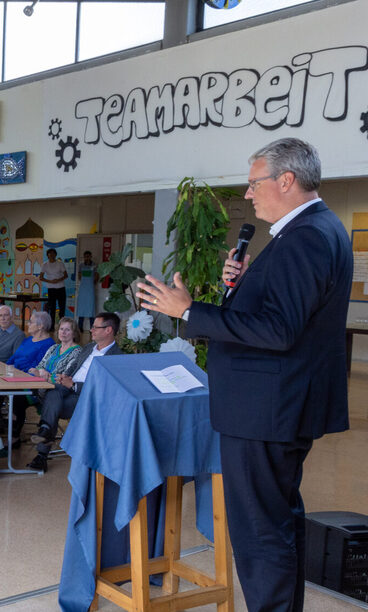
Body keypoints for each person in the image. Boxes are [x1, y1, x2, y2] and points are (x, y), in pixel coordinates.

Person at [136, 138, 352, 611]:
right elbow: (281, 314)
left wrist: (190, 311)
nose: (249, 194)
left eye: (255, 183)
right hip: (276, 406)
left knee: (260, 535)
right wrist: (242, 285)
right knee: (277, 523)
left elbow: (278, 331)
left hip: (267, 411)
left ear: (286, 180)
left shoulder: (307, 237)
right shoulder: (315, 231)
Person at [28, 312, 121, 472]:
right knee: (54, 393)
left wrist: (74, 386)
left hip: (87, 397)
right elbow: (74, 369)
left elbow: (106, 388)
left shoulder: (117, 357)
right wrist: (65, 377)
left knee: (53, 402)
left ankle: (44, 440)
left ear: (108, 330)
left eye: (95, 327)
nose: (91, 330)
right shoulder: (89, 348)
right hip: (66, 388)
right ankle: (44, 435)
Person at [29, 317, 83, 388]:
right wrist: (41, 370)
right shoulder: (54, 347)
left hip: (56, 389)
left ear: (74, 334)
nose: (63, 332)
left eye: (67, 330)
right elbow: (39, 366)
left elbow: (64, 378)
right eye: (61, 329)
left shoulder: (77, 351)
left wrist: (40, 375)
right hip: (41, 383)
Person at [40, 248, 68, 324]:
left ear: (55, 255)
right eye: (50, 253)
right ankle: (51, 326)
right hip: (51, 289)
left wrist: (58, 280)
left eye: (53, 253)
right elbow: (41, 277)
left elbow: (66, 275)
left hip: (61, 288)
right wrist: (50, 281)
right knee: (52, 308)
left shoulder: (60, 263)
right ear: (47, 255)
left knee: (62, 308)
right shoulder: (45, 264)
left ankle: (62, 325)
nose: (51, 255)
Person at [75, 251, 96, 331]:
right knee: (81, 308)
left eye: (88, 256)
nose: (87, 258)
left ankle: (92, 327)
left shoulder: (94, 265)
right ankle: (80, 327)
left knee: (91, 308)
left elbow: (96, 276)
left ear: (91, 256)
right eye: (85, 256)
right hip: (83, 289)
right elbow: (79, 277)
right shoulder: (81, 265)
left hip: (90, 289)